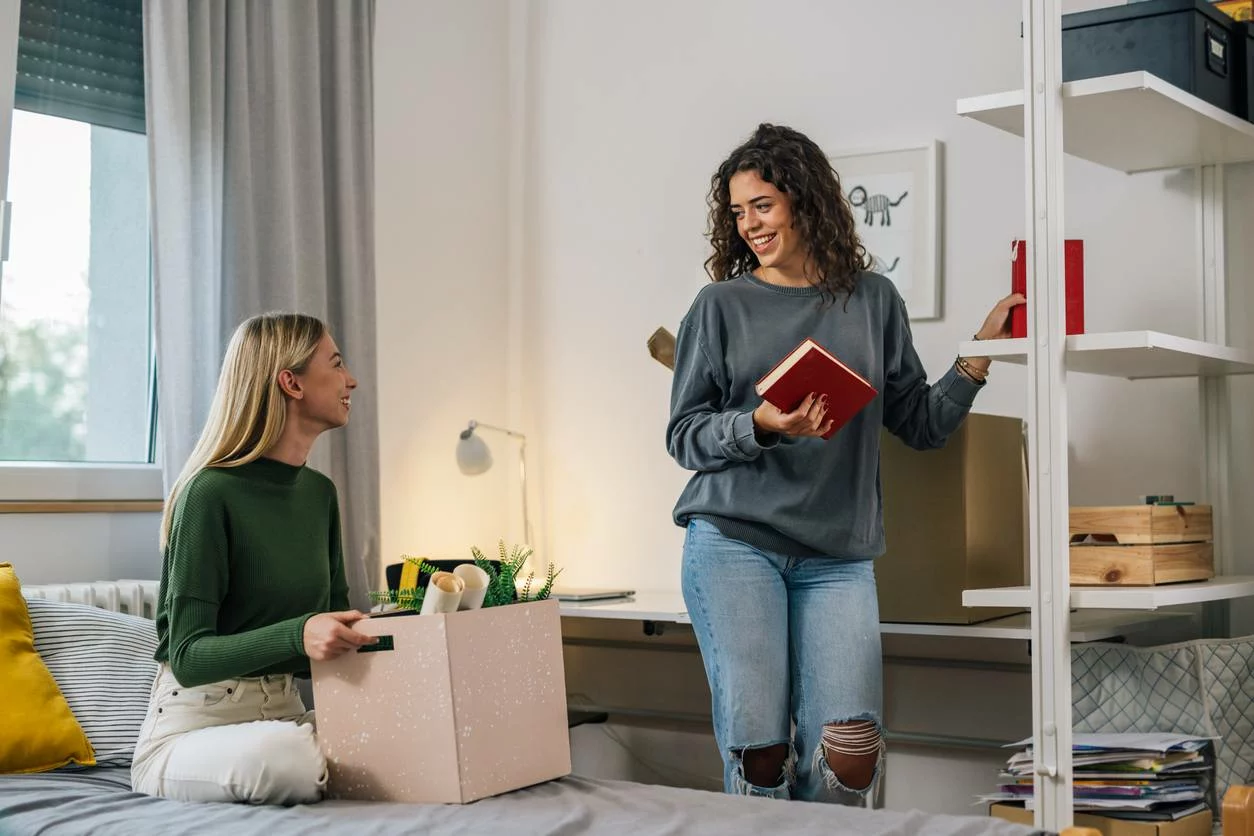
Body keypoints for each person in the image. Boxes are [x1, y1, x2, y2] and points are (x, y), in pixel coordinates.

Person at [665, 123, 1023, 804]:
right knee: (762, 753)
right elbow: (685, 434)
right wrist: (760, 424)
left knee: (851, 753)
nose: (749, 225)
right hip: (735, 544)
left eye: (763, 206)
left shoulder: (873, 300)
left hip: (838, 557)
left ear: (804, 200)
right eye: (738, 212)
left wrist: (978, 353)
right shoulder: (720, 306)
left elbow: (920, 423)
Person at [131, 312, 377, 805]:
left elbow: (322, 651)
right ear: (292, 382)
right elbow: (187, 655)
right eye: (336, 363)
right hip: (195, 729)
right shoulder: (209, 493)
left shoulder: (319, 495)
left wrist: (395, 638)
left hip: (282, 716)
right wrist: (300, 633)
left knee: (404, 727)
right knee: (287, 760)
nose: (351, 380)